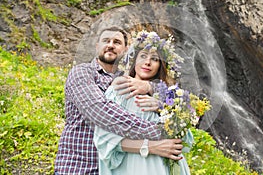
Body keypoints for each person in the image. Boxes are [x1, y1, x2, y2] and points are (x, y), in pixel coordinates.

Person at [55, 27, 183, 174]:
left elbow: (178, 99)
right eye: (106, 41)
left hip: (118, 168)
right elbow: (102, 114)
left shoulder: (130, 80)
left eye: (116, 42)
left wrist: (151, 87)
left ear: (126, 50)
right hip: (79, 167)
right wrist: (159, 133)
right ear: (97, 46)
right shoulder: (83, 73)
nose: (110, 45)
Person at [93, 30, 193, 175]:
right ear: (134, 62)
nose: (147, 62)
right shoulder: (119, 90)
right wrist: (150, 147)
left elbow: (184, 140)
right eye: (143, 56)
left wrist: (163, 108)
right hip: (135, 166)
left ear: (161, 65)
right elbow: (104, 137)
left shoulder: (170, 97)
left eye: (155, 59)